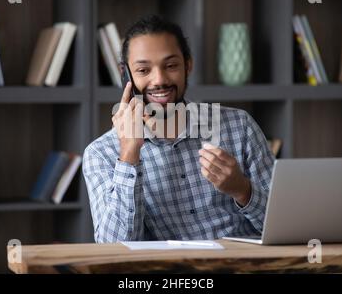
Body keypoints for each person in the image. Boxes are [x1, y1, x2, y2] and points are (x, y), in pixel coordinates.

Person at [82, 14, 274, 243]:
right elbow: (113, 249)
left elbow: (287, 225)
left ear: (188, 65)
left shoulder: (239, 126)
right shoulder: (101, 153)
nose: (159, 80)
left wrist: (243, 190)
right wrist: (129, 154)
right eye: (143, 70)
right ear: (126, 74)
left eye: (171, 65)